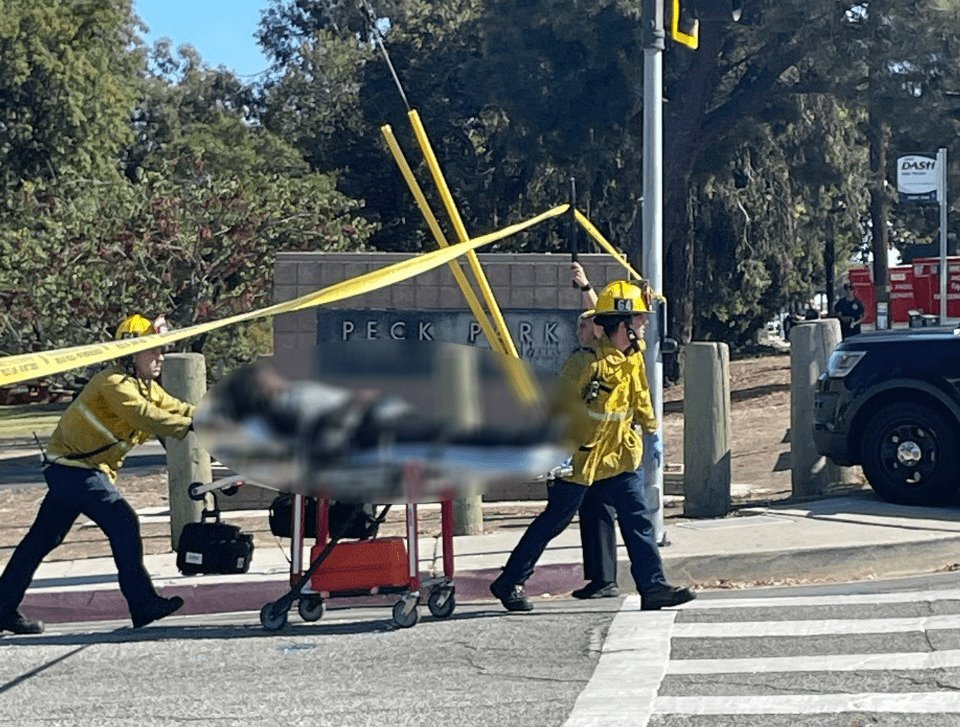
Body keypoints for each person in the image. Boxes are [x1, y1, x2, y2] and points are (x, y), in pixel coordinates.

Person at [490, 280, 696, 612]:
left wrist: (652, 431)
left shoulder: (632, 358)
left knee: (637, 520)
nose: (645, 324)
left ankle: (653, 587)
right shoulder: (585, 363)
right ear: (623, 325)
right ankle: (509, 580)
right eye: (639, 319)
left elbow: (641, 397)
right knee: (554, 522)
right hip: (582, 460)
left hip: (619, 457)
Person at [0, 314, 194, 634]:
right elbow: (146, 416)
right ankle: (142, 603)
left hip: (73, 471)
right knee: (124, 521)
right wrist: (190, 426)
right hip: (76, 471)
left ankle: (3, 607)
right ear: (131, 353)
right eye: (154, 350)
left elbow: (176, 407)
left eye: (163, 349)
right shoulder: (113, 383)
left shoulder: (143, 386)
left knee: (41, 541)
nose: (161, 356)